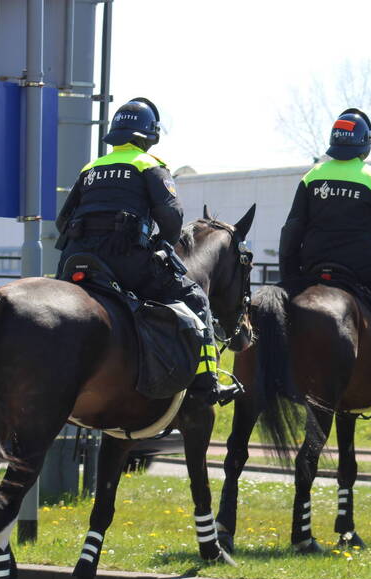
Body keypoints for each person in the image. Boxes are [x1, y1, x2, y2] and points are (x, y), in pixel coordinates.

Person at [55, 97, 238, 406]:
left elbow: (62, 221)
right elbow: (172, 217)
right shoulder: (149, 165)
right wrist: (161, 247)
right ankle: (208, 383)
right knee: (194, 296)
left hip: (74, 258)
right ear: (148, 135)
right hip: (124, 259)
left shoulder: (90, 168)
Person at [278, 108, 371, 347]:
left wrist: (289, 276)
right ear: (365, 144)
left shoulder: (312, 177)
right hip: (365, 270)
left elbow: (292, 230)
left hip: (314, 266)